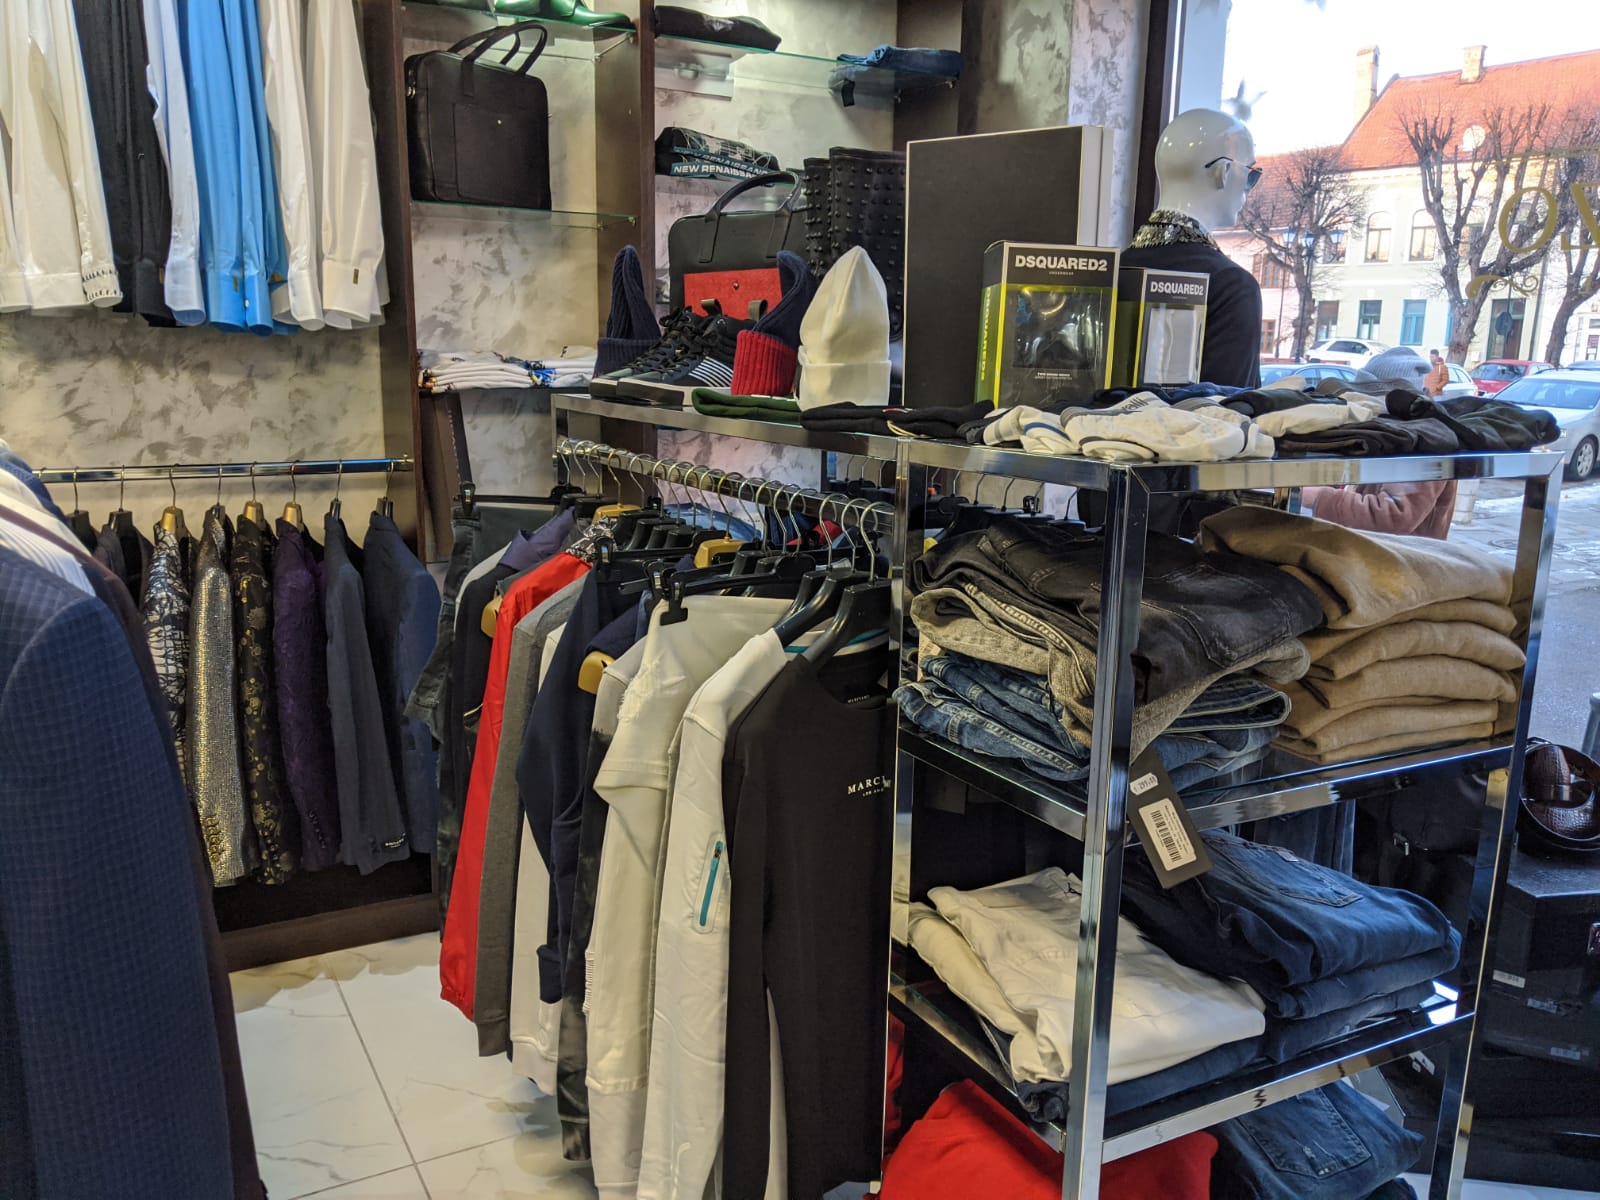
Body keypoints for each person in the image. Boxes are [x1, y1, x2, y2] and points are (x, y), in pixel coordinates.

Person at [1302, 345, 1457, 538]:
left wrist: (1319, 497)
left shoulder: (1426, 441)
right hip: (1365, 549)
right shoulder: (1385, 431)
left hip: (1396, 555)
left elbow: (1394, 516)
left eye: (1366, 395)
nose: (1360, 403)